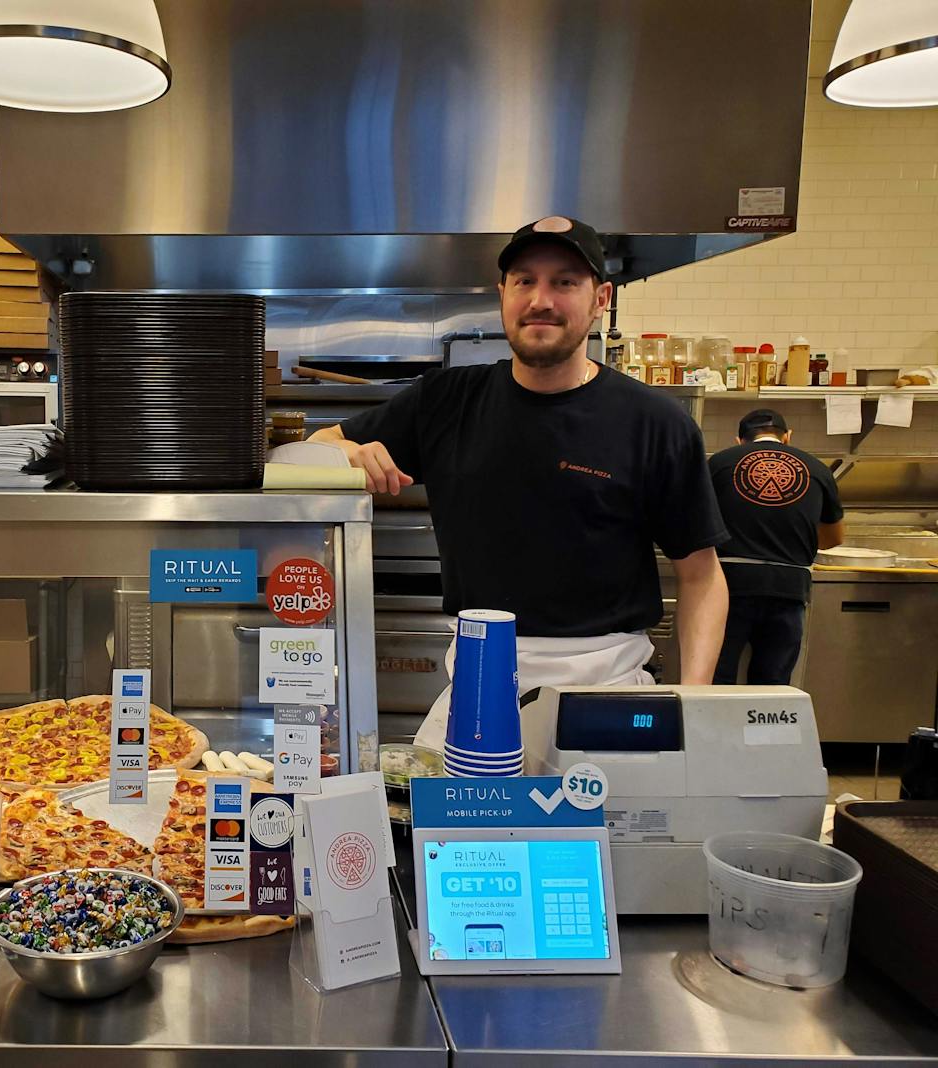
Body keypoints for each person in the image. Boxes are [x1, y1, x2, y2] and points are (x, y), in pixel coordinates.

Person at [309, 216, 730, 749]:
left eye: (565, 282)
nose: (541, 299)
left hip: (604, 689)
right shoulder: (445, 400)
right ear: (502, 293)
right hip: (476, 683)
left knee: (607, 834)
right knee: (438, 832)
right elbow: (315, 447)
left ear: (601, 298)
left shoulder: (656, 423)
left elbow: (702, 578)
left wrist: (692, 703)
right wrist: (345, 449)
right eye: (525, 280)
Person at [708, 409, 844, 686]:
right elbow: (834, 538)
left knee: (718, 678)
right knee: (772, 684)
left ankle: (717, 730)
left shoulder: (719, 463)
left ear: (739, 441)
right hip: (789, 587)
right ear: (788, 437)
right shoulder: (817, 469)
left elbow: (698, 522)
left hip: (728, 584)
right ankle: (765, 730)